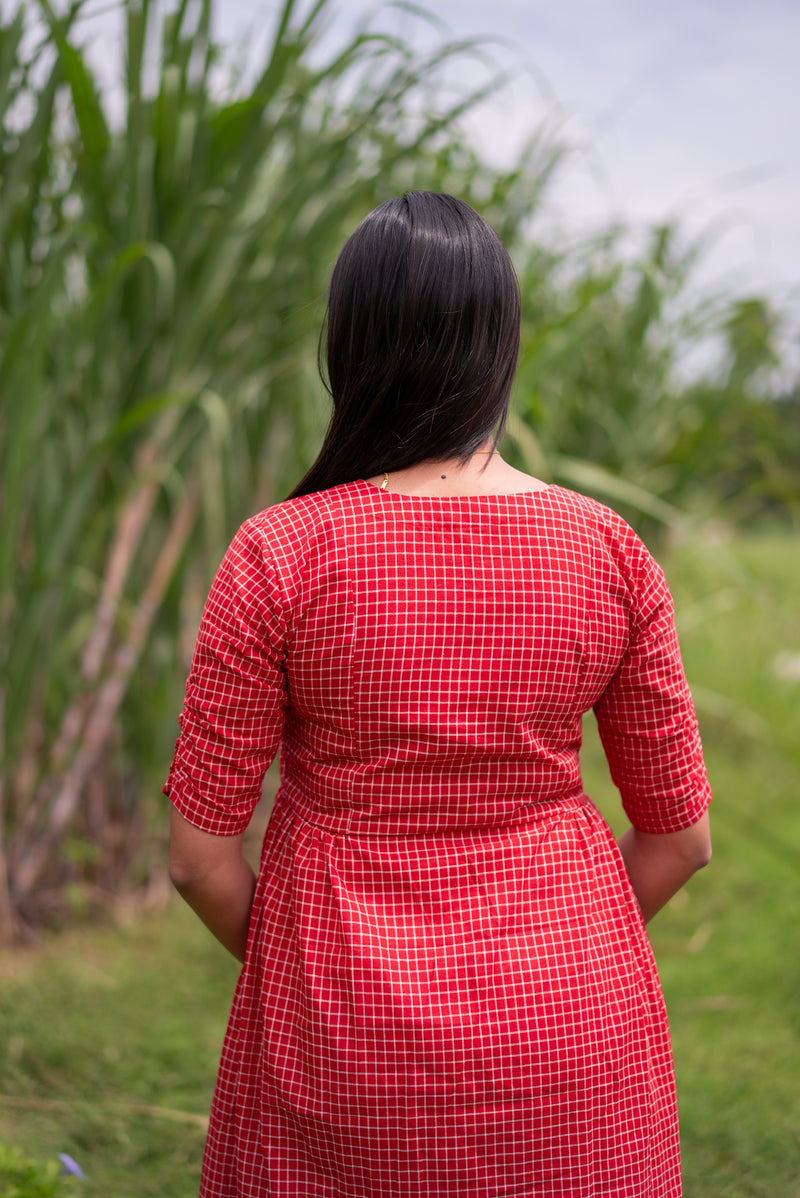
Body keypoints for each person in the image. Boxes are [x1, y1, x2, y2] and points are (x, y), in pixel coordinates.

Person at [165, 191, 712, 1198]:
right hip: (571, 1026)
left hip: (334, 1036)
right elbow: (678, 839)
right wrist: (568, 946)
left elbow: (199, 859)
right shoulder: (608, 550)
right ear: (500, 346)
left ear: (349, 347)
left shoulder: (277, 554)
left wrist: (303, 972)